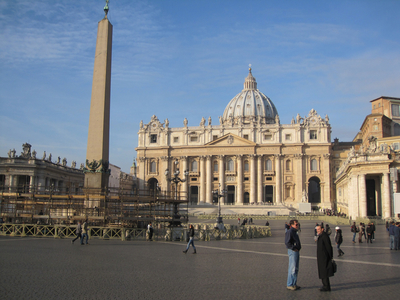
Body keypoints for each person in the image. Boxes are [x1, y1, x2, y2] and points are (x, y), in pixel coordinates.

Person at [316, 225, 334, 292]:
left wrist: (330, 256)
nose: (317, 230)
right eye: (317, 229)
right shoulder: (321, 236)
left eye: (318, 229)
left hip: (324, 257)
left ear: (322, 229)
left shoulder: (325, 236)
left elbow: (329, 247)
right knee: (322, 271)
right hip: (321, 257)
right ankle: (325, 285)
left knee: (324, 272)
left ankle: (326, 286)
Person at [285, 219, 301, 291]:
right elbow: (287, 242)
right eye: (296, 224)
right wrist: (293, 248)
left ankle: (294, 283)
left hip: (296, 251)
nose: (297, 225)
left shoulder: (295, 232)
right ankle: (289, 284)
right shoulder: (290, 232)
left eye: (298, 224)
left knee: (296, 268)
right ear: (292, 225)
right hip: (292, 251)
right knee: (292, 268)